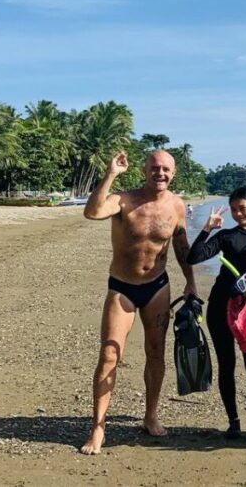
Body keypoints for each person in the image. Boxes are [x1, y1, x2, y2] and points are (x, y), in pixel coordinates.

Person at [79, 150, 196, 455]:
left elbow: (181, 245)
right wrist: (111, 174)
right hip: (122, 288)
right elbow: (91, 212)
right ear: (145, 170)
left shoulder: (177, 206)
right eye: (155, 168)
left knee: (156, 352)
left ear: (174, 173)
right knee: (108, 354)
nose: (160, 173)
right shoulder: (123, 200)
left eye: (166, 169)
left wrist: (191, 282)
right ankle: (98, 427)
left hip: (157, 287)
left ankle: (151, 415)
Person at [187, 186, 246, 441]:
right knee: (227, 365)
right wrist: (208, 228)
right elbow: (193, 256)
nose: (238, 213)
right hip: (220, 307)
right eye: (233, 209)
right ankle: (234, 424)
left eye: (242, 208)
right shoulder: (227, 236)